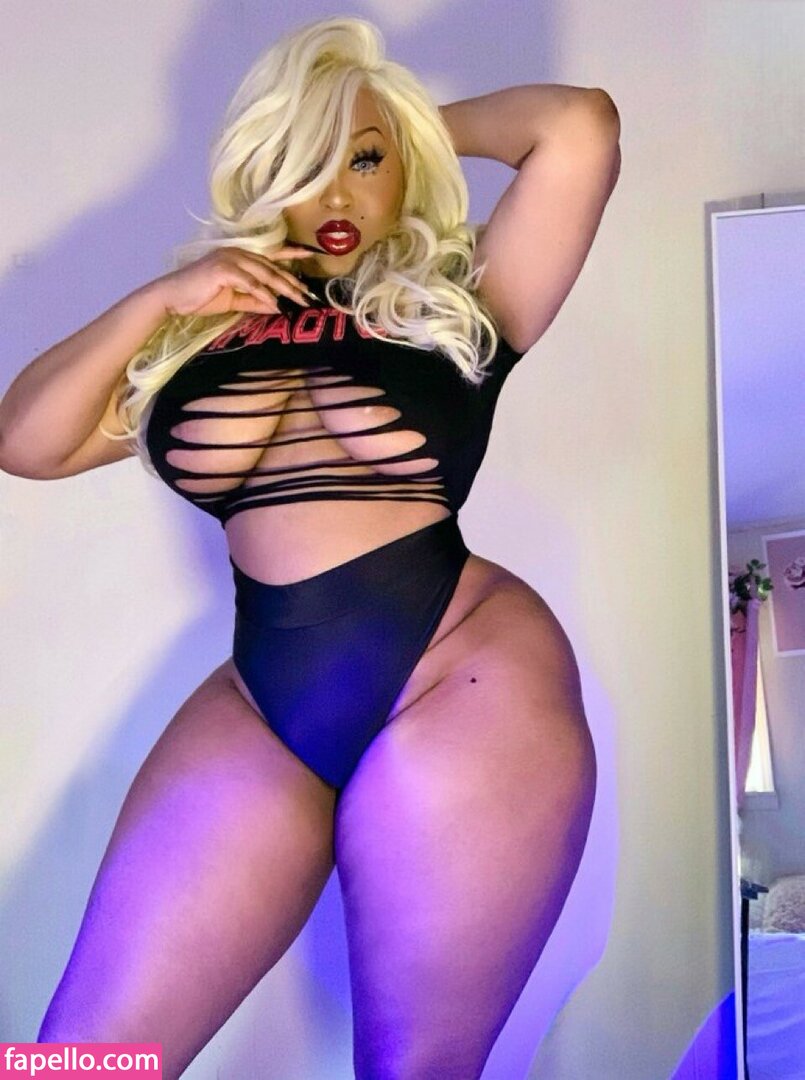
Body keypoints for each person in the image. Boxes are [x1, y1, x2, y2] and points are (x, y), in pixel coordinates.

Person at [0, 16, 620, 1079]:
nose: (335, 193)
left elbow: (579, 128)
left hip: (460, 667)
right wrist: (162, 299)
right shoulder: (196, 333)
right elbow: (26, 441)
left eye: (362, 161)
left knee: (413, 1069)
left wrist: (407, 129)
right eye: (303, 161)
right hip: (266, 700)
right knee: (75, 1061)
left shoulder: (457, 300)